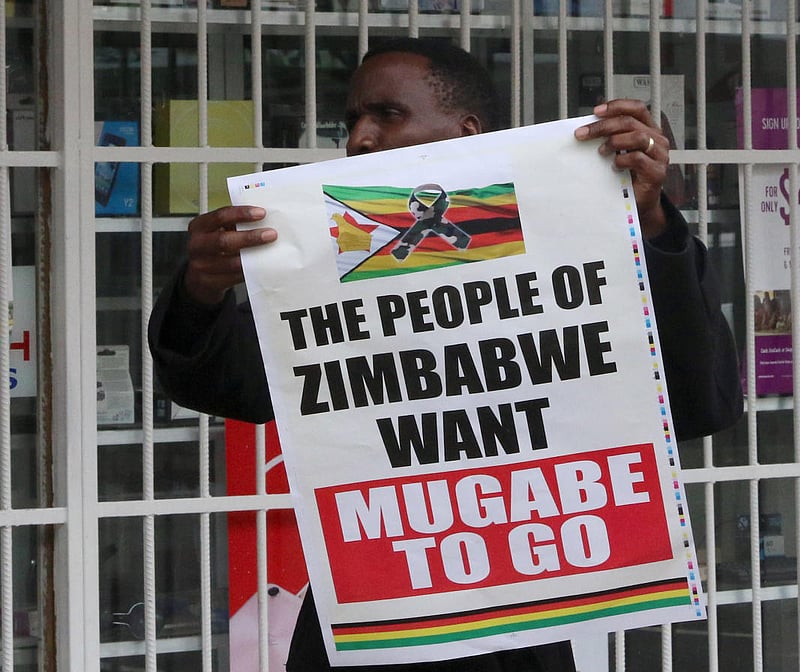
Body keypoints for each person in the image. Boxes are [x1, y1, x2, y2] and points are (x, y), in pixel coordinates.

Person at [149, 37, 743, 672]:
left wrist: (652, 225)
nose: (360, 138)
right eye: (353, 120)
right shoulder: (332, 261)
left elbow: (698, 400)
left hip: (519, 626)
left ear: (466, 131)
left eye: (387, 115)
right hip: (372, 621)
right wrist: (201, 291)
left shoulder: (563, 249)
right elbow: (227, 387)